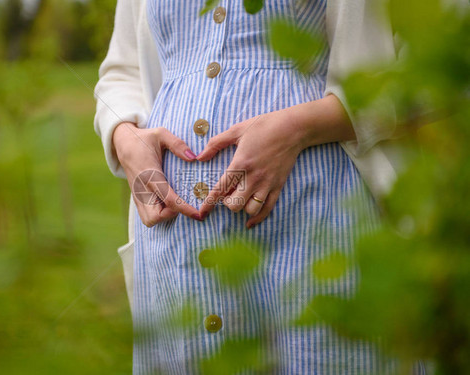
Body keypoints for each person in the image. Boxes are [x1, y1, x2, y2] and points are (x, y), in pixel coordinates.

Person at [94, 0, 426, 373]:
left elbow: (431, 66)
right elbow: (121, 73)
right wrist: (125, 138)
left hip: (320, 230)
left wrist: (298, 128)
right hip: (173, 249)